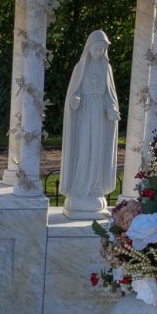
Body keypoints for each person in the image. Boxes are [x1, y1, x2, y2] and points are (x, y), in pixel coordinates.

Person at [60, 30, 120, 216]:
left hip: (99, 115)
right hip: (85, 113)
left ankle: (95, 187)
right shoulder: (81, 67)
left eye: (102, 48)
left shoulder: (106, 68)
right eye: (96, 47)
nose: (99, 50)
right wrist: (74, 100)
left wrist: (111, 109)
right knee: (84, 148)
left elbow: (110, 94)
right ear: (89, 47)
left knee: (98, 150)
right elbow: (73, 92)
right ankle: (79, 187)